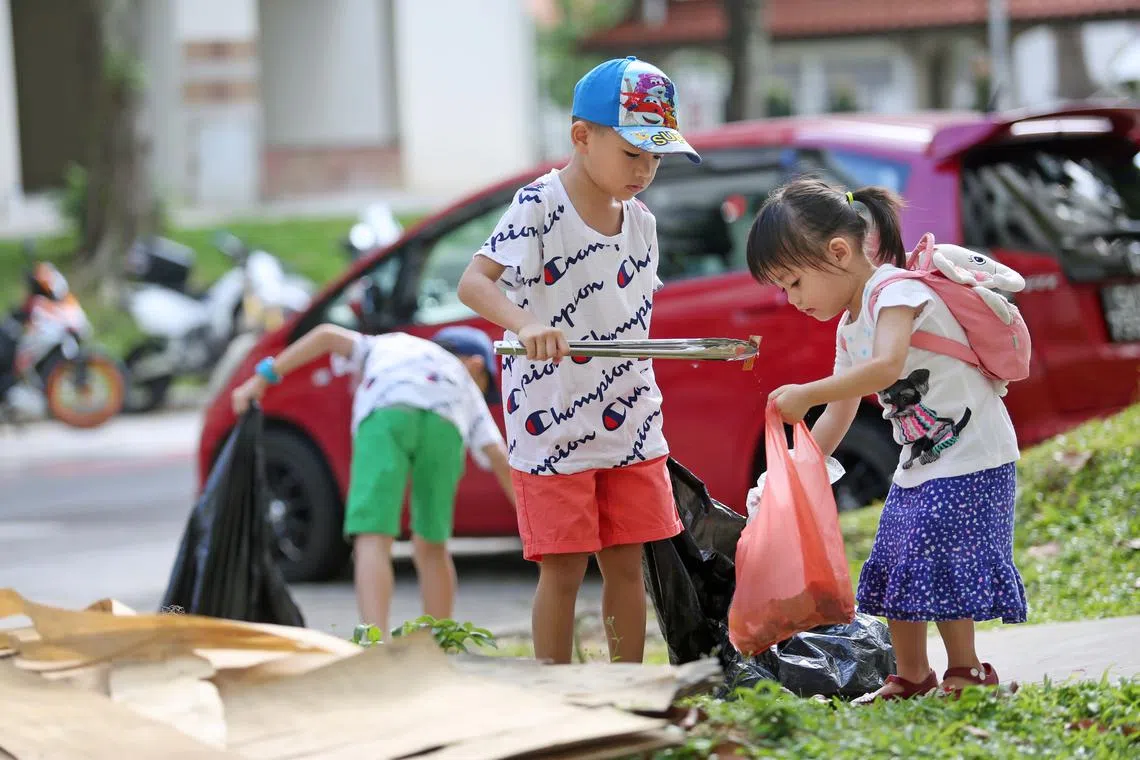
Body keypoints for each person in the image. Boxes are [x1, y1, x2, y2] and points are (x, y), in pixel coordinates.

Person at [455, 55, 701, 665]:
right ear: (582, 136)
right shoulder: (539, 204)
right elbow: (474, 283)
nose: (644, 170)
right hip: (553, 417)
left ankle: (625, 692)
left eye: (655, 157)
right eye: (632, 153)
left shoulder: (641, 223)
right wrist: (527, 322)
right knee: (562, 566)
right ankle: (555, 695)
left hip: (632, 418)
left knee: (627, 561)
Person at [744, 177, 1027, 701]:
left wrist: (806, 392)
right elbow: (840, 411)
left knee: (936, 559)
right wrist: (786, 476)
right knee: (896, 561)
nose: (790, 299)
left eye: (795, 282)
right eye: (781, 288)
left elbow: (886, 366)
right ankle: (912, 676)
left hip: (975, 454)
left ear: (838, 251)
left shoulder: (896, 292)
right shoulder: (849, 326)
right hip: (922, 463)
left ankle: (967, 673)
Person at [230, 323, 515, 638]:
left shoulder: (392, 344)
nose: (482, 389)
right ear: (475, 364)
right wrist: (533, 531)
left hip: (387, 409)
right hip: (445, 426)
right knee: (432, 543)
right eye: (485, 381)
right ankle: (440, 641)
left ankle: (374, 640)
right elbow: (500, 458)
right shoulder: (464, 383)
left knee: (373, 537)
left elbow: (325, 335)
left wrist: (261, 378)